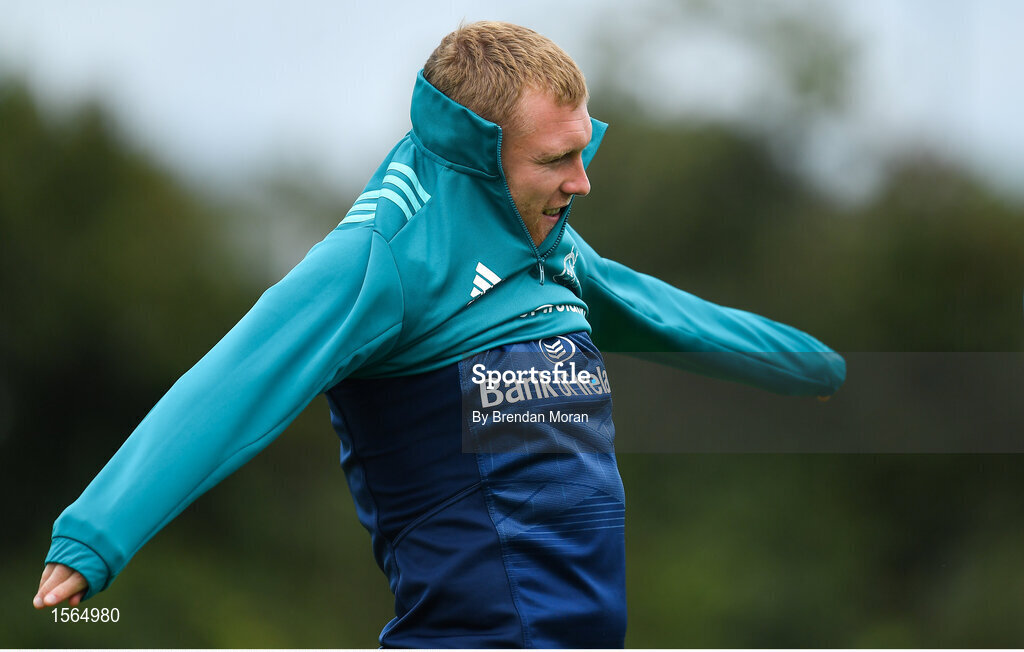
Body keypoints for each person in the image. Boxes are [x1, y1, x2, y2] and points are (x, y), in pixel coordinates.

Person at [33, 21, 845, 648]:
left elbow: (658, 309)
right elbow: (237, 378)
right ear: (481, 156)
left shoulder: (546, 239)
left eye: (584, 148)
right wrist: (97, 536)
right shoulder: (382, 258)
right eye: (557, 158)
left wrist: (806, 364)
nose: (582, 180)